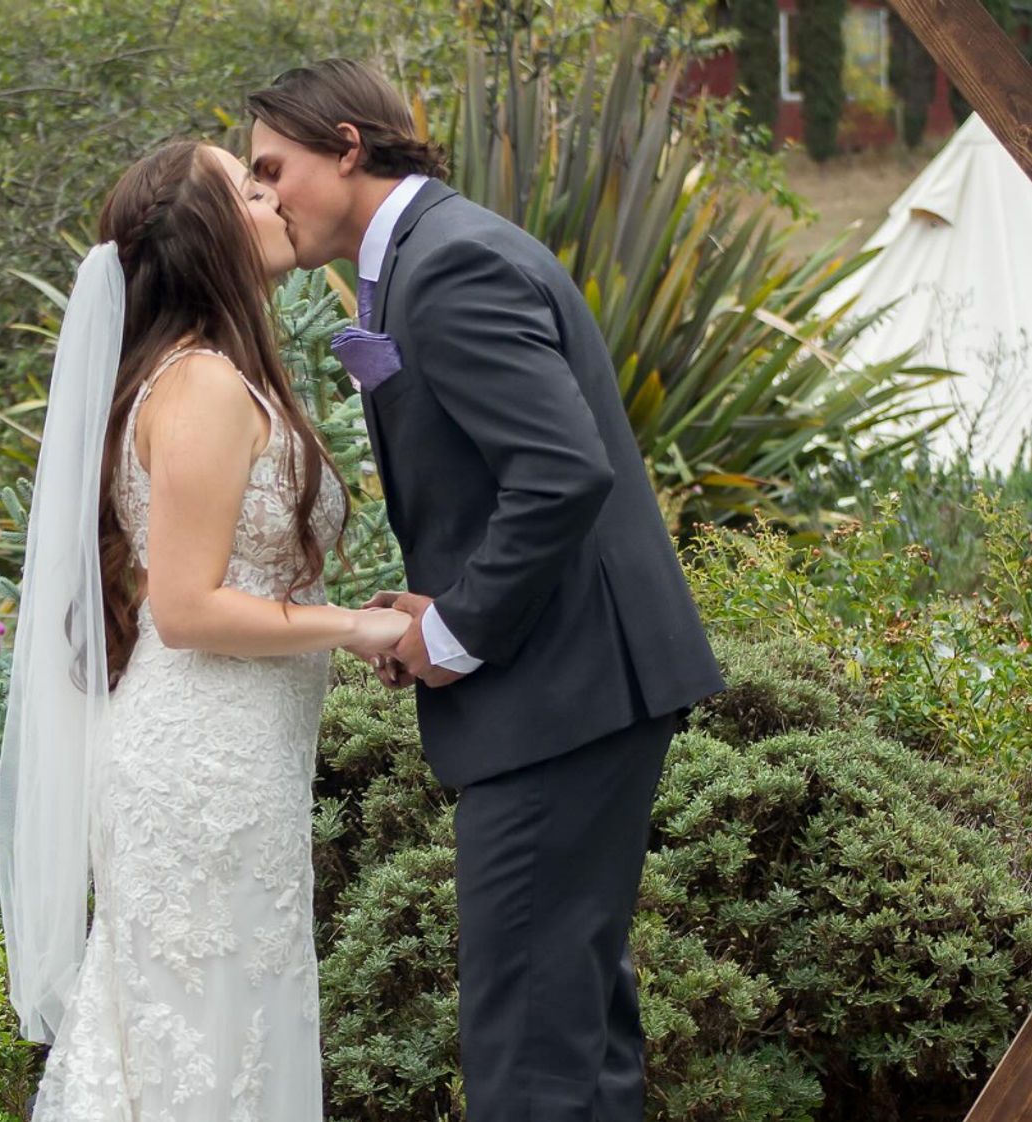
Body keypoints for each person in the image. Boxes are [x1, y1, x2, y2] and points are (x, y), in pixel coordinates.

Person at [246, 60, 726, 1122]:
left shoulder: (450, 262)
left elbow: (563, 470)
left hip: (562, 699)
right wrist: (437, 600)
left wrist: (458, 628)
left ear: (347, 145)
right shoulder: (430, 253)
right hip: (573, 692)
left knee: (526, 1057)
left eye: (273, 167)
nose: (265, 194)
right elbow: (510, 477)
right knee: (574, 1039)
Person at [0, 139, 410, 1120]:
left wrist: (364, 615)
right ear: (208, 232)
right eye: (248, 185)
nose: (272, 197)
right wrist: (353, 627)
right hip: (200, 774)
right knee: (198, 1056)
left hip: (239, 764)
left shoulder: (210, 375)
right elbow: (185, 610)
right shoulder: (202, 386)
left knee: (222, 1046)